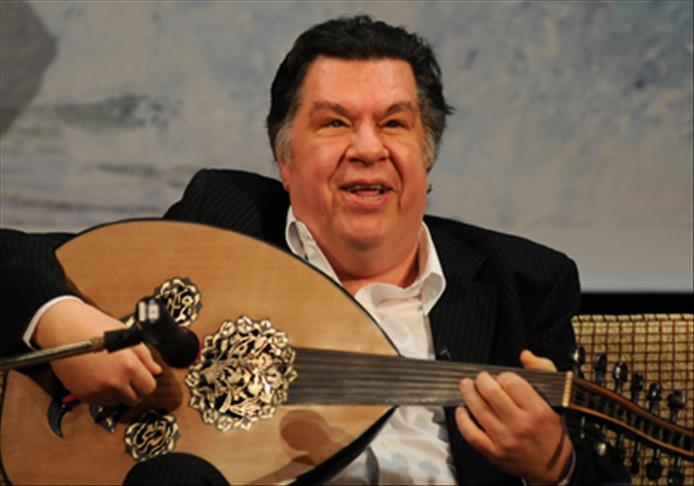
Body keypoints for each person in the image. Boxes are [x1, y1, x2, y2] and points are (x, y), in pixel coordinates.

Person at [1, 15, 627, 485]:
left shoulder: (525, 280)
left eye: (394, 123)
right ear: (286, 159)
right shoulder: (226, 221)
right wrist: (66, 326)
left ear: (426, 155)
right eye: (334, 122)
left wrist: (556, 465)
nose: (368, 148)